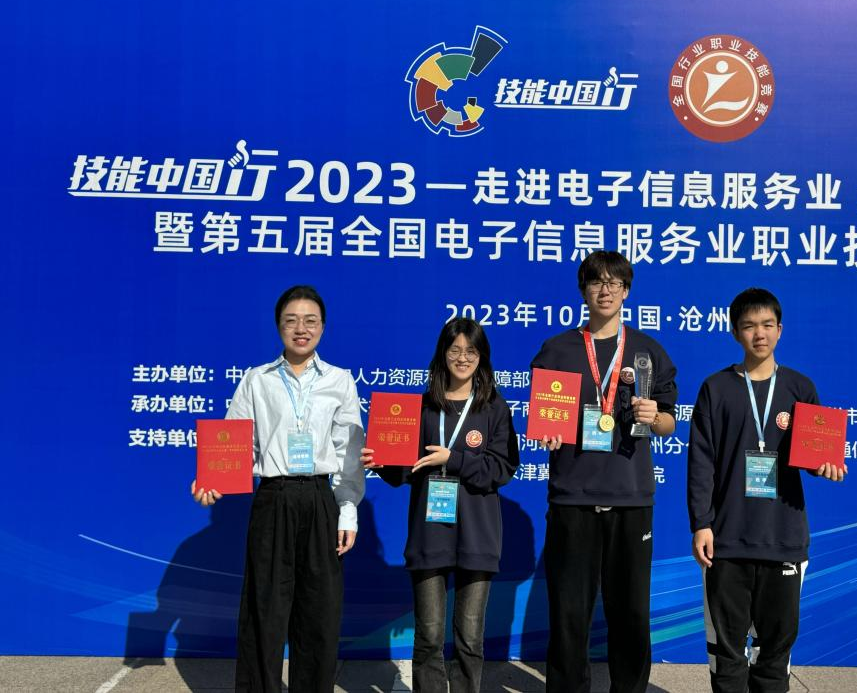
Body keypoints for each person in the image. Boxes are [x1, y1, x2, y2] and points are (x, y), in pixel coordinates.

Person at [191, 285, 365, 692]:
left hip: (320, 499)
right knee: (264, 609)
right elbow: (235, 444)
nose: (301, 329)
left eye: (310, 321)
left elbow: (348, 453)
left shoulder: (340, 381)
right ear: (278, 327)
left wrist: (348, 511)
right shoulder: (257, 380)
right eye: (291, 320)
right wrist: (213, 481)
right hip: (273, 498)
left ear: (323, 327)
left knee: (319, 612)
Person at [531, 250, 678, 693]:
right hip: (572, 497)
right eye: (597, 281)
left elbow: (669, 423)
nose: (606, 290)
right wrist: (547, 433)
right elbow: (545, 419)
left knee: (630, 611)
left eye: (615, 282)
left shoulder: (648, 350)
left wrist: (655, 417)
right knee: (569, 612)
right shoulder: (557, 350)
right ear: (583, 290)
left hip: (630, 498)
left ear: (626, 291)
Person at [687, 287, 847, 693]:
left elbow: (812, 455)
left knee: (774, 653)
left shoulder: (799, 387)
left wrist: (824, 466)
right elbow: (701, 462)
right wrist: (702, 523)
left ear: (780, 329)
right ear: (734, 332)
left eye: (767, 325)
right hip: (727, 540)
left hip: (783, 539)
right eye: (749, 326)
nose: (759, 334)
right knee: (727, 654)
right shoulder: (716, 388)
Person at [361, 317, 519, 693]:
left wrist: (454, 459)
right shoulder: (423, 407)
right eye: (455, 350)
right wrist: (383, 463)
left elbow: (502, 469)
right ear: (442, 354)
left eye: (471, 351)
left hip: (477, 537)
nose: (462, 358)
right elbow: (406, 470)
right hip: (429, 534)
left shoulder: (495, 408)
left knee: (469, 639)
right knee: (429, 637)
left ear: (482, 357)